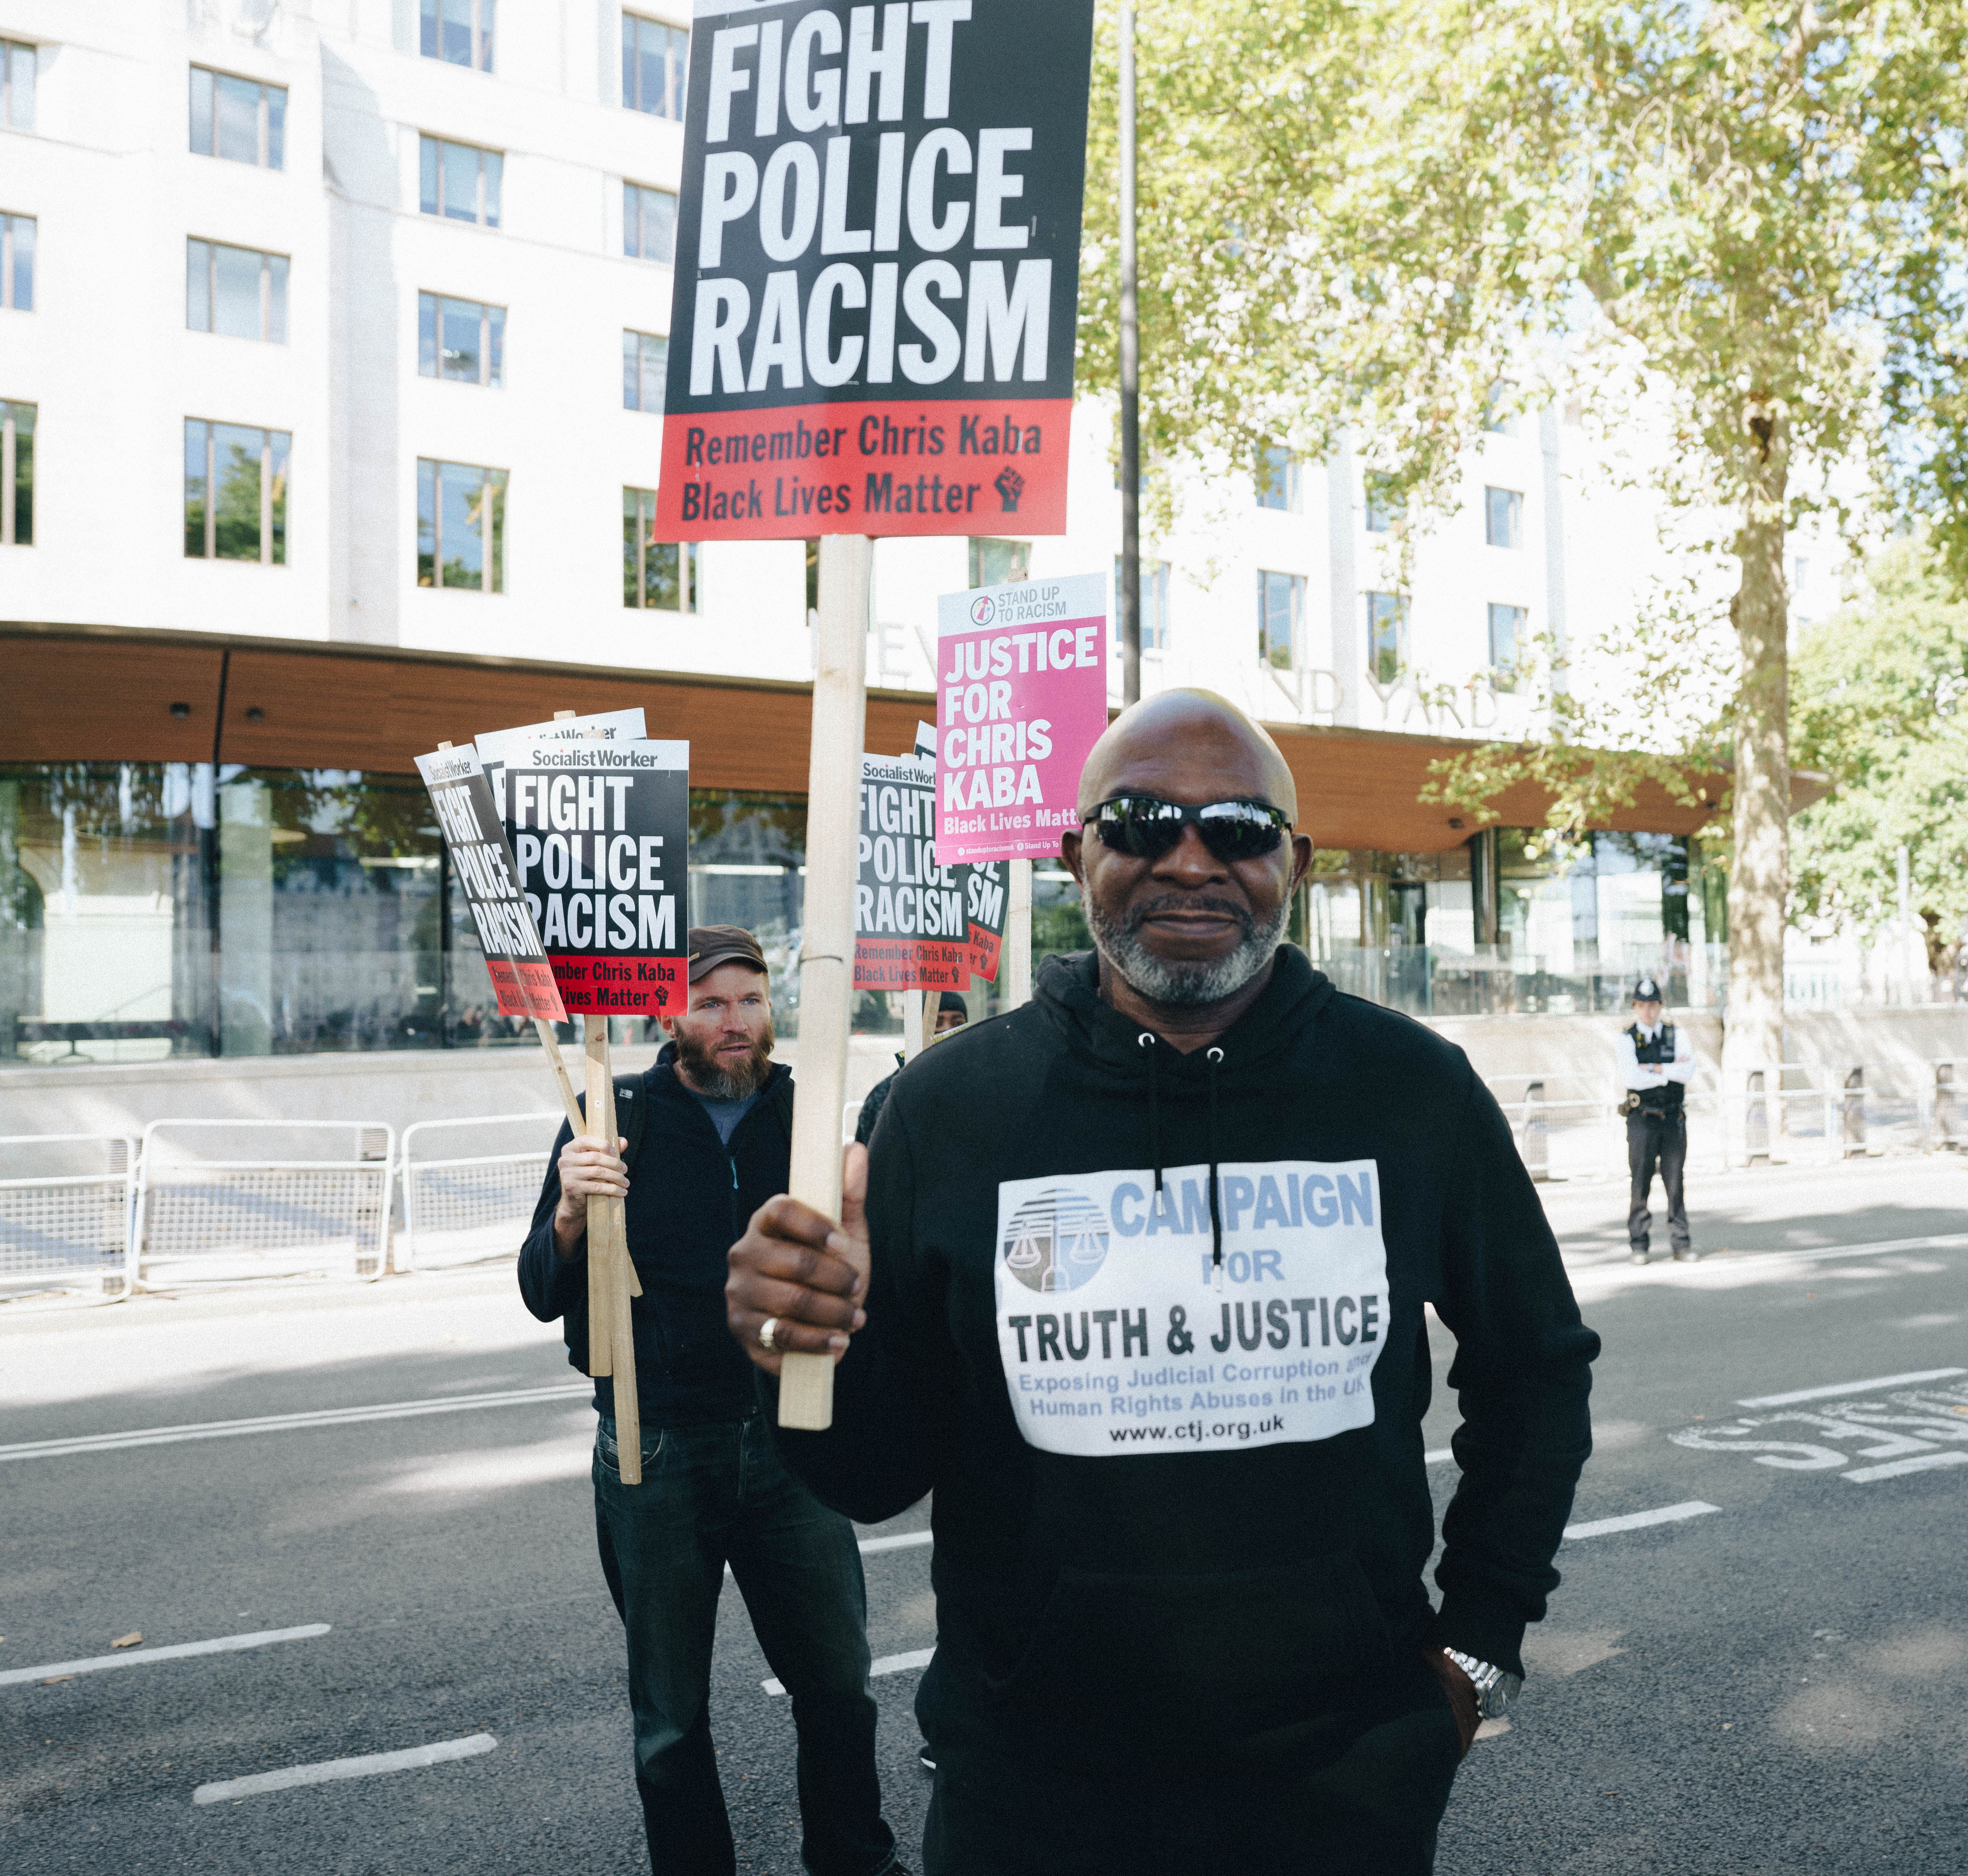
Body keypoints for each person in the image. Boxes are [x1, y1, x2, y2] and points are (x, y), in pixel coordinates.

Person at [725, 689, 1600, 1876]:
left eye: (1238, 828)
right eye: (1139, 821)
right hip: (1030, 1797)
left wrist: (1477, 1656)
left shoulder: (1411, 1092)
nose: (1191, 859)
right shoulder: (945, 1111)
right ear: (1073, 848)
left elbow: (1536, 1371)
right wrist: (801, 1352)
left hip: (1342, 1790)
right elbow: (873, 1476)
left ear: (1293, 861)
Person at [518, 929, 902, 1876]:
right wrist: (571, 1211)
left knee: (839, 1687)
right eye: (713, 1002)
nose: (737, 1022)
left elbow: (866, 1277)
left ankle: (854, 1859)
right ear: (668, 1013)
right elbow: (539, 1289)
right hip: (655, 1449)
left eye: (752, 1000)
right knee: (670, 1715)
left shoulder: (809, 1123)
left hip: (794, 1443)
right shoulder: (614, 1116)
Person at [1617, 979, 1696, 1264]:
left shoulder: (1677, 1035)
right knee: (1640, 1184)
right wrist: (1668, 1072)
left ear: (1660, 1006)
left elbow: (1688, 1071)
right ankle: (1639, 1244)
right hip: (1642, 1120)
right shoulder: (1626, 1039)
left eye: (1652, 1005)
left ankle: (1681, 1244)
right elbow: (1630, 1077)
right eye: (1642, 1005)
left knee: (1675, 1184)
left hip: (1672, 1119)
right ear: (1635, 1007)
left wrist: (1650, 1068)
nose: (1647, 1011)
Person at [852, 991, 967, 1147]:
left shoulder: (978, 1085)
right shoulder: (887, 1094)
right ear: (918, 1030)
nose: (947, 1030)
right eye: (936, 1023)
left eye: (958, 1024)